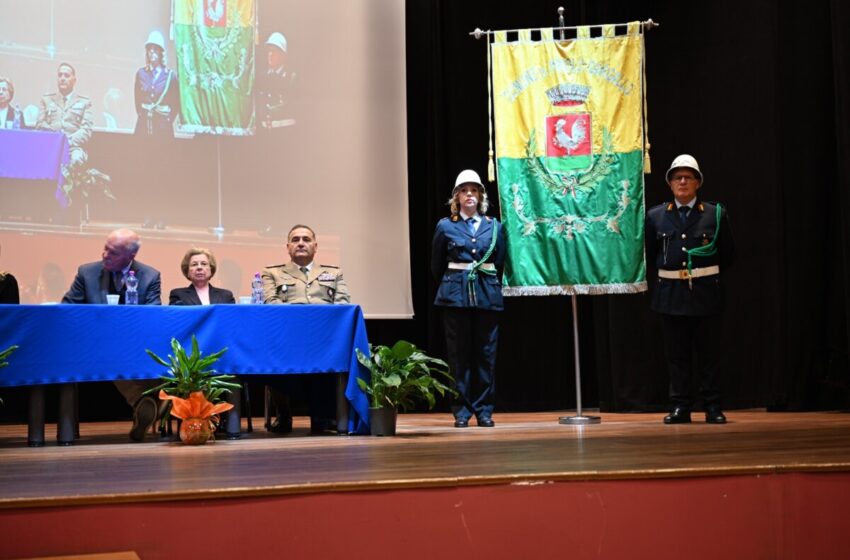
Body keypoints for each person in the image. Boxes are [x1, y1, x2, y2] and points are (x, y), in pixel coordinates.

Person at [645, 154, 736, 425]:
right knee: (677, 357)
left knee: (709, 356)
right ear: (670, 184)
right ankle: (680, 407)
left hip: (706, 295)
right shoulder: (656, 216)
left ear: (698, 183)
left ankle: (712, 407)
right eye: (677, 177)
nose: (682, 182)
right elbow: (650, 254)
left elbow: (728, 255)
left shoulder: (715, 214)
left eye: (688, 177)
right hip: (670, 296)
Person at [61, 228, 163, 441]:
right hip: (96, 344)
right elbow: (68, 308)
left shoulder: (150, 275)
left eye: (113, 252)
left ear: (131, 256)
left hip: (136, 342)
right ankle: (154, 399)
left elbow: (153, 314)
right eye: (105, 249)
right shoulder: (86, 272)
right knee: (111, 351)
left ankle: (149, 403)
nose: (105, 255)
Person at [431, 169, 506, 428]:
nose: (469, 195)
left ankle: (484, 410)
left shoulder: (494, 226)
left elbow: (500, 262)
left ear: (481, 196)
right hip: (455, 297)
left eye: (474, 190)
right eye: (464, 190)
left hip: (487, 295)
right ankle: (461, 411)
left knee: (486, 355)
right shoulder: (446, 226)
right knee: (458, 356)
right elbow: (437, 265)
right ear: (456, 197)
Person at [261, 224, 350, 433]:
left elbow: (343, 304)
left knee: (329, 357)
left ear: (315, 246)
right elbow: (270, 302)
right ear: (288, 247)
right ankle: (284, 415)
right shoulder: (272, 273)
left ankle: (323, 417)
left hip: (323, 337)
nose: (301, 243)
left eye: (306, 239)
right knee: (273, 358)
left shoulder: (333, 273)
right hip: (287, 337)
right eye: (295, 239)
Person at [36, 63, 93, 168]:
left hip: (73, 147)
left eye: (66, 75)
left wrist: (68, 141)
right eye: (60, 75)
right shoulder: (46, 99)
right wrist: (55, 139)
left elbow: (86, 129)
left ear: (74, 80)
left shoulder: (84, 102)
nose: (62, 78)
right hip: (50, 145)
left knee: (77, 158)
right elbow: (40, 124)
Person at [134, 30, 180, 137]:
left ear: (161, 52)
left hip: (163, 129)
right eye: (149, 49)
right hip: (143, 127)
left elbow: (175, 105)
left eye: (155, 49)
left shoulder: (170, 76)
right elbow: (138, 102)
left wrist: (166, 121)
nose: (152, 52)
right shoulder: (141, 74)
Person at [256, 31, 296, 128]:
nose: (270, 54)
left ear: (283, 54)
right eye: (269, 51)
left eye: (274, 51)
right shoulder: (262, 77)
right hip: (264, 132)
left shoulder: (291, 78)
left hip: (284, 132)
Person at [169, 247, 235, 305]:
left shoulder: (226, 296)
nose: (199, 267)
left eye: (204, 264)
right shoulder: (178, 295)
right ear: (187, 271)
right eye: (194, 264)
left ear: (211, 269)